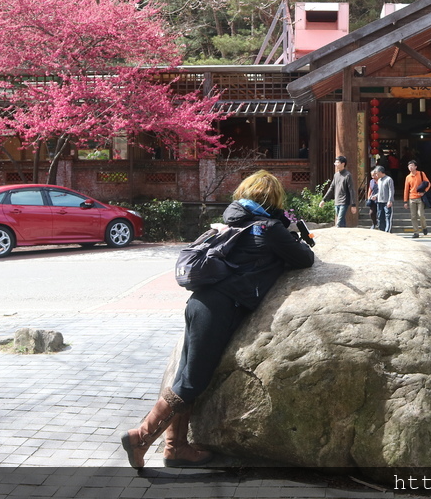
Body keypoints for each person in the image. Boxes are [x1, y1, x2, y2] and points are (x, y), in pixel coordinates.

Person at [121, 170, 315, 470]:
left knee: (185, 378)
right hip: (219, 308)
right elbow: (305, 258)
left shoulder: (232, 221)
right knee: (190, 383)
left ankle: (175, 448)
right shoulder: (269, 228)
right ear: (273, 198)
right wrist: (295, 237)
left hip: (199, 303)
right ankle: (140, 436)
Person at [318, 155, 357, 227]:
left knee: (339, 222)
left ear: (343, 164)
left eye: (337, 162)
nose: (335, 164)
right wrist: (324, 200)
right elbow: (331, 188)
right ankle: (344, 235)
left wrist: (353, 204)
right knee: (342, 222)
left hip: (344, 201)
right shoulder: (336, 175)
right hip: (337, 201)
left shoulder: (347, 175)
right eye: (335, 162)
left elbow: (351, 190)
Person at [402, 160, 430, 238]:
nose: (410, 167)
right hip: (412, 198)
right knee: (413, 216)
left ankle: (424, 227)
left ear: (415, 167)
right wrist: (405, 201)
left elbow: (428, 183)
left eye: (412, 165)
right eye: (409, 166)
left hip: (420, 198)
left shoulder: (421, 174)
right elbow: (406, 189)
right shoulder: (408, 177)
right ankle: (416, 232)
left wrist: (424, 192)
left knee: (421, 215)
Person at [374, 165, 395, 233]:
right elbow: (380, 191)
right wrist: (376, 196)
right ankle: (381, 230)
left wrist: (390, 200)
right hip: (379, 201)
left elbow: (391, 190)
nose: (376, 175)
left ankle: (387, 231)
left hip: (386, 201)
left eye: (377, 173)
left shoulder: (389, 179)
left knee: (388, 216)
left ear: (380, 172)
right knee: (380, 216)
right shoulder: (379, 180)